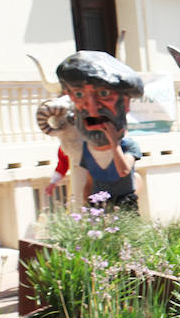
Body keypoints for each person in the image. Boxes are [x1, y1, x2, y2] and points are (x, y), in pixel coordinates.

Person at [55, 50, 144, 209]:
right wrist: (86, 207)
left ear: (125, 102)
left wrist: (114, 144)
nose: (93, 110)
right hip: (98, 206)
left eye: (104, 94)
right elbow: (89, 181)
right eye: (79, 94)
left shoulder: (128, 146)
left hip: (123, 205)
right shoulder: (87, 149)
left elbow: (124, 171)